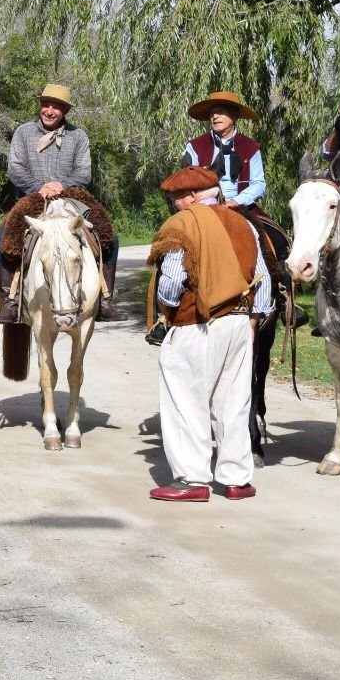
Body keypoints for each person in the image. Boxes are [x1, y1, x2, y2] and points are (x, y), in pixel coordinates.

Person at [145, 164, 272, 502]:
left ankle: (192, 480)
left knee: (186, 401)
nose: (174, 203)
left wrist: (167, 310)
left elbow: (172, 283)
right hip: (240, 322)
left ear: (191, 196)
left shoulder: (182, 223)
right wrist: (253, 319)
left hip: (195, 324)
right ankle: (237, 480)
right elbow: (263, 279)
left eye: (176, 197)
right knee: (234, 401)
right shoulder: (244, 224)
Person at [0, 83, 118, 323]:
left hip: (71, 197)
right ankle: (10, 301)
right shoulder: (23, 133)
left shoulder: (78, 136)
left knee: (109, 237)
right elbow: (15, 168)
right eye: (46, 105)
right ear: (40, 106)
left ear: (65, 111)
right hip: (32, 197)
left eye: (56, 107)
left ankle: (105, 299)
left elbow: (84, 172)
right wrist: (38, 187)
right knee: (2, 237)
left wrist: (61, 185)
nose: (49, 111)